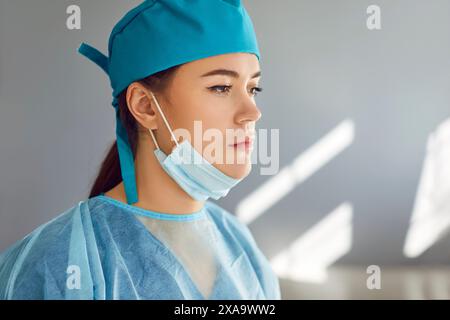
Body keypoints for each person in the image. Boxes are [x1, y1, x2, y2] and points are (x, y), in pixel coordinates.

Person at [0, 0, 281, 299]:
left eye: (253, 89)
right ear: (145, 106)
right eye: (221, 87)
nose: (252, 112)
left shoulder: (240, 244)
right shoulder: (58, 263)